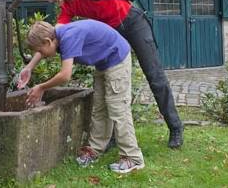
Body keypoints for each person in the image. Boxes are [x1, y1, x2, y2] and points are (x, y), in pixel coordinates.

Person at [19, 0, 184, 148]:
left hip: (133, 22)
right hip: (112, 35)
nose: (49, 0)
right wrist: (30, 67)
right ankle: (112, 137)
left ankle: (175, 127)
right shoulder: (68, 7)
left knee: (155, 76)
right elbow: (51, 36)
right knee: (111, 82)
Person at [26, 20, 145, 173]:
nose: (42, 55)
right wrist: (29, 68)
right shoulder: (56, 33)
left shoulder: (68, 37)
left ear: (48, 41)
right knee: (100, 109)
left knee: (118, 108)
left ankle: (133, 158)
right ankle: (95, 150)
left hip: (117, 58)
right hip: (103, 63)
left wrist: (41, 87)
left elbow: (65, 75)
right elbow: (43, 49)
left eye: (41, 52)